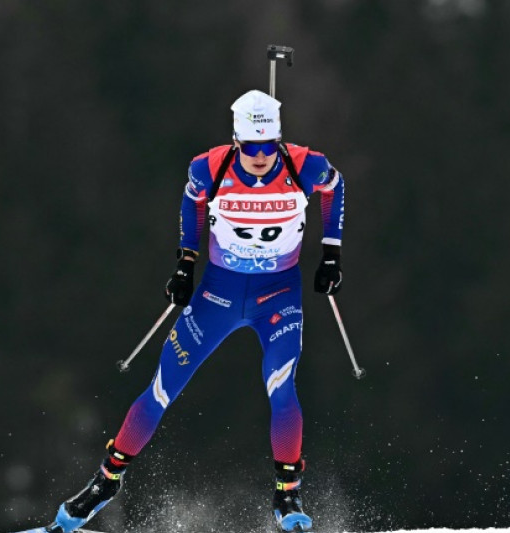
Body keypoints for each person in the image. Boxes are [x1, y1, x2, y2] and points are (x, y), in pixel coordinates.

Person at [44, 89, 345, 533]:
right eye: (250, 148)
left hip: (278, 295)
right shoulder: (210, 167)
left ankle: (287, 493)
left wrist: (331, 252)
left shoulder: (306, 165)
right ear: (237, 142)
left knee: (281, 387)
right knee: (162, 389)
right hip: (218, 295)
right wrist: (186, 262)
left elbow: (335, 187)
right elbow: (192, 202)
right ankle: (105, 482)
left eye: (268, 146)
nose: (260, 157)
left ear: (278, 140)